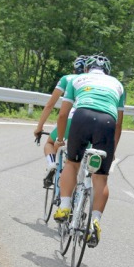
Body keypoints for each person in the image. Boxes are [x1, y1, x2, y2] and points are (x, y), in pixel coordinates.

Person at [53, 54, 125, 248]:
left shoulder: (77, 80)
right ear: (107, 72)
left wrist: (60, 139)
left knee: (72, 163)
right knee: (101, 178)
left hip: (82, 117)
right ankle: (95, 222)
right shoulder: (118, 84)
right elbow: (119, 124)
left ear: (87, 69)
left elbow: (63, 114)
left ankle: (65, 206)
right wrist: (112, 150)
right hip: (107, 123)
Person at [34, 55, 88, 187]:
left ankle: (52, 163)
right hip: (90, 121)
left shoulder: (67, 78)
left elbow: (50, 105)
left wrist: (39, 127)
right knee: (82, 154)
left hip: (70, 118)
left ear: (75, 69)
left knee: (51, 143)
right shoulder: (94, 81)